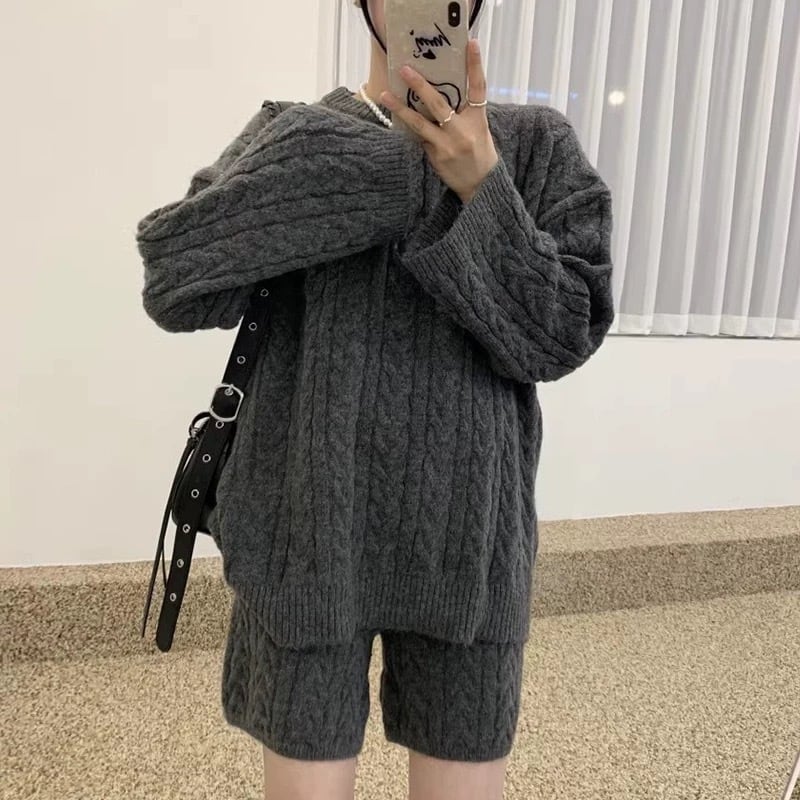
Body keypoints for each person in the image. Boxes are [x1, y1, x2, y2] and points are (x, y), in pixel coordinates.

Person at [134, 1, 615, 797]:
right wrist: (398, 171)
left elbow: (564, 333)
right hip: (304, 536)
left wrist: (482, 186)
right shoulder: (296, 133)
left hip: (470, 545)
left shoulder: (534, 147)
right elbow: (175, 278)